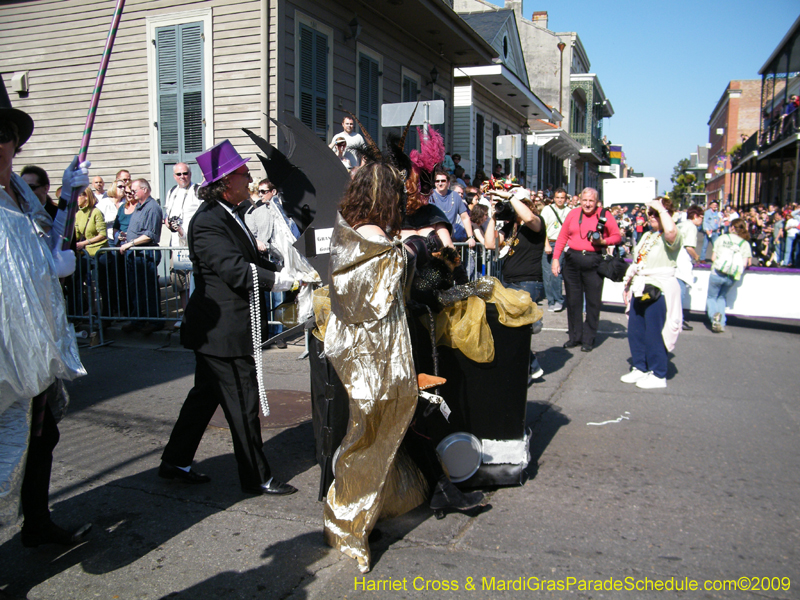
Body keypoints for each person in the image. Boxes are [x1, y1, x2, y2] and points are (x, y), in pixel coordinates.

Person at [323, 161, 483, 574]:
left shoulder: (350, 228)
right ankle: (347, 520)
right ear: (383, 197)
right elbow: (380, 285)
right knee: (371, 431)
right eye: (395, 194)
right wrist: (412, 249)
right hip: (371, 352)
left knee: (377, 428)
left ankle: (376, 504)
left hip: (368, 347)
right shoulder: (371, 238)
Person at [160, 139, 298, 497]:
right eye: (243, 174)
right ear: (225, 182)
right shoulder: (207, 222)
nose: (249, 179)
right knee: (242, 403)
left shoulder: (230, 214)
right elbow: (236, 270)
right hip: (221, 331)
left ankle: (175, 461)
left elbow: (251, 257)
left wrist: (287, 266)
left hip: (221, 329)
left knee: (204, 397)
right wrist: (277, 280)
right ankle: (256, 476)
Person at [0, 79, 91, 546]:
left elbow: (48, 238)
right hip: (5, 354)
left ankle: (36, 523)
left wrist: (69, 197)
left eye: (5, 132)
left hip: (37, 347)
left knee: (40, 439)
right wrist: (45, 268)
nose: (1, 144)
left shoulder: (19, 191)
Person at [620, 198, 682, 389]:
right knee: (636, 330)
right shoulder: (648, 235)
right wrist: (627, 285)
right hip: (641, 286)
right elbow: (638, 262)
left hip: (659, 288)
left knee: (654, 333)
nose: (652, 216)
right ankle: (640, 366)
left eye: (656, 213)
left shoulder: (671, 236)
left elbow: (671, 232)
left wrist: (661, 209)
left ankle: (658, 373)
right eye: (650, 213)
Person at [484, 190, 546, 380]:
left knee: (517, 329)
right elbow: (489, 243)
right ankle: (532, 366)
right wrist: (494, 217)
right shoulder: (511, 227)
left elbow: (528, 217)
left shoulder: (536, 223)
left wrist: (510, 197)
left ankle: (525, 372)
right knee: (511, 329)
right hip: (509, 282)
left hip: (527, 283)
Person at [551, 187, 622, 352]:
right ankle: (575, 337)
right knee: (573, 301)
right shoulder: (573, 214)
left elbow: (617, 236)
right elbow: (562, 237)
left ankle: (588, 339)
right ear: (579, 200)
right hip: (572, 260)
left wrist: (603, 242)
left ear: (596, 202)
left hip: (594, 260)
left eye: (591, 201)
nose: (587, 204)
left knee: (592, 302)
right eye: (585, 200)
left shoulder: (605, 215)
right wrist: (556, 258)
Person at [243, 178, 289, 348]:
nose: (261, 195)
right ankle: (265, 333)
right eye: (259, 191)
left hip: (280, 258)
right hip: (263, 258)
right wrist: (256, 242)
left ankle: (279, 334)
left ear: (273, 192)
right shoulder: (254, 211)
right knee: (265, 298)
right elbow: (249, 233)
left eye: (264, 192)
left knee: (279, 297)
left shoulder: (284, 210)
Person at [119, 178, 163, 333]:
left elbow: (150, 235)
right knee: (136, 289)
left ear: (145, 190)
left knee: (148, 289)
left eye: (134, 190)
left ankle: (155, 320)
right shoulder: (138, 207)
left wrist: (130, 244)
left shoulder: (152, 208)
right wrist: (126, 237)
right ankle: (138, 320)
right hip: (134, 254)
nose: (132, 193)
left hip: (145, 254)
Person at [164, 162, 201, 322]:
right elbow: (168, 214)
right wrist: (168, 223)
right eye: (178, 174)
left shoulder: (197, 190)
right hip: (176, 245)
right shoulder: (171, 192)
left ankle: (197, 316)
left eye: (185, 173)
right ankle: (186, 316)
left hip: (192, 244)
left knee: (196, 283)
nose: (182, 177)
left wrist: (184, 231)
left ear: (190, 174)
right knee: (180, 283)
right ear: (174, 176)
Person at [706, 218, 752, 333]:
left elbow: (713, 258)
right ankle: (721, 323)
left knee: (712, 297)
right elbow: (747, 263)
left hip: (717, 272)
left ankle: (713, 316)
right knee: (721, 297)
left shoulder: (722, 238)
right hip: (731, 276)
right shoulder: (745, 243)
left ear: (731, 227)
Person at [429, 169, 475, 246]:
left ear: (448, 183)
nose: (440, 183)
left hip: (449, 239)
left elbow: (465, 217)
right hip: (433, 239)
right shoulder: (429, 195)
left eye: (443, 181)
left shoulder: (455, 196)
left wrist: (470, 237)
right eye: (437, 181)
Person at [541, 188, 569, 312]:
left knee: (556, 272)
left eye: (562, 198)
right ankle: (550, 300)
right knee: (547, 273)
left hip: (561, 244)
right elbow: (543, 228)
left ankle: (558, 300)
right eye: (557, 197)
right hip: (549, 242)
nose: (560, 200)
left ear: (565, 199)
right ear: (554, 198)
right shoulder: (547, 209)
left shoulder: (569, 211)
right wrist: (546, 244)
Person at [675, 205, 703, 330]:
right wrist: (697, 257)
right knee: (680, 292)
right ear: (695, 216)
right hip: (682, 262)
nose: (701, 220)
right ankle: (678, 319)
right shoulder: (691, 227)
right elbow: (689, 247)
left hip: (674, 259)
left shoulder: (681, 224)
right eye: (701, 217)